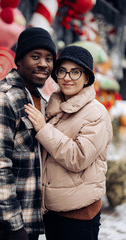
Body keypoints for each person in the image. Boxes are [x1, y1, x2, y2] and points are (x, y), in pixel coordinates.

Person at [0, 27, 56, 240]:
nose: (44, 64)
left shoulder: (35, 99)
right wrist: (15, 227)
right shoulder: (2, 98)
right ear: (18, 61)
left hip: (26, 219)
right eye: (35, 56)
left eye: (49, 58)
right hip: (1, 225)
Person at [24, 45, 113, 240]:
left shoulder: (95, 113)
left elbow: (78, 157)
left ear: (87, 77)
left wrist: (43, 129)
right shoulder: (55, 108)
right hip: (53, 212)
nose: (67, 77)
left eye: (75, 72)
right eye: (62, 71)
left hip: (79, 215)